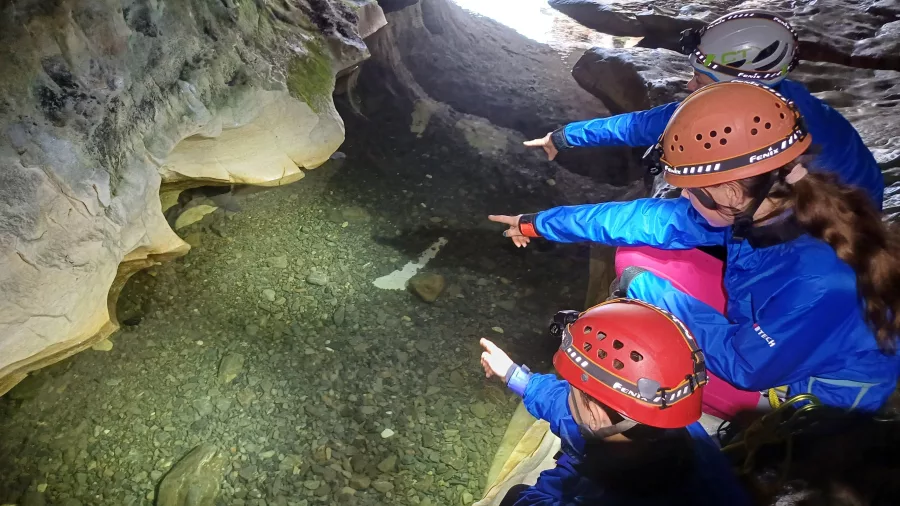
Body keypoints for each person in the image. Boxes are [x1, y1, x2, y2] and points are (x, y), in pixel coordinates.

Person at [490, 80, 900, 411]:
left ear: (731, 190)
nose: (685, 200)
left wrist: (653, 293)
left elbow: (745, 367)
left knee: (648, 380)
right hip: (783, 331)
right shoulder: (773, 202)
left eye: (695, 192)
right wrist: (538, 224)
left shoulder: (819, 279)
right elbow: (639, 220)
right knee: (637, 254)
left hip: (811, 390)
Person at [526, 10, 884, 209]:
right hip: (857, 201)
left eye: (699, 78)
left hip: (826, 221)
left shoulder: (750, 126)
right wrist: (565, 135)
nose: (688, 86)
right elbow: (648, 123)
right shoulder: (772, 97)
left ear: (739, 84)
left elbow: (645, 126)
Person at [479, 298, 751, 506]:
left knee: (516, 497)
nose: (566, 392)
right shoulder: (661, 417)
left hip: (593, 488)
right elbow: (566, 407)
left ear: (596, 417)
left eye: (572, 387)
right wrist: (515, 376)